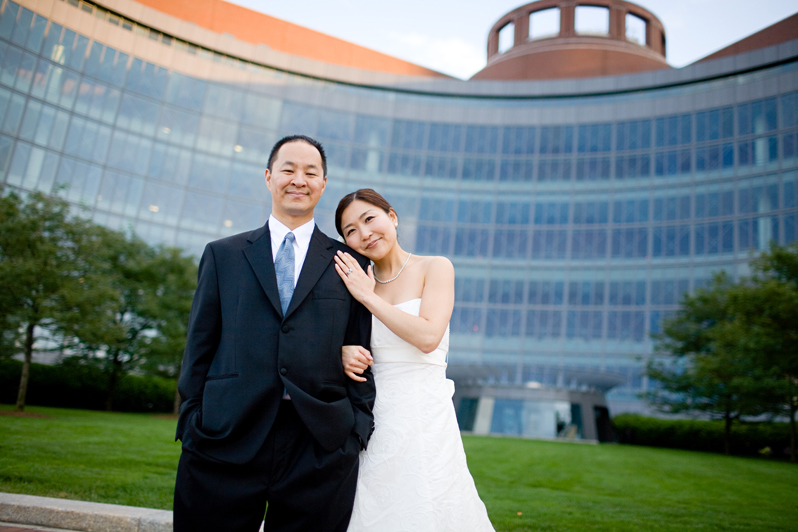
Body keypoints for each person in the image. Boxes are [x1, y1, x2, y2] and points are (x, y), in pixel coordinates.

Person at [173, 136, 376, 532]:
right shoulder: (223, 254)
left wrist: (356, 430)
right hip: (224, 436)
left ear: (323, 183)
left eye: (310, 172)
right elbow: (199, 345)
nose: (298, 179)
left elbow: (363, 346)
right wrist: (192, 421)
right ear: (269, 177)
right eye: (288, 169)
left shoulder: (350, 262)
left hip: (319, 442)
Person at [332, 188, 495, 532]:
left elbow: (427, 337)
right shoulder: (353, 281)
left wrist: (367, 295)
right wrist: (343, 353)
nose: (364, 234)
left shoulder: (434, 268)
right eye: (350, 231)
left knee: (426, 499)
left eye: (369, 219)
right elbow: (334, 339)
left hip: (423, 410)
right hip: (369, 413)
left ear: (391, 216)